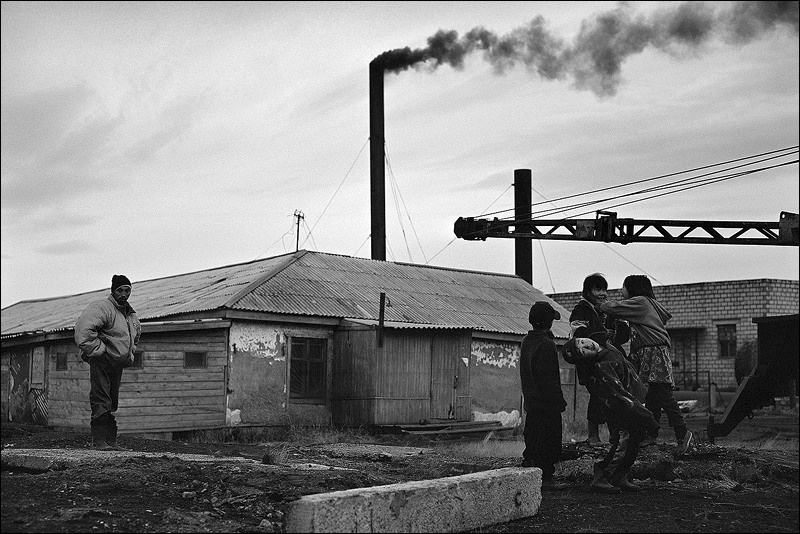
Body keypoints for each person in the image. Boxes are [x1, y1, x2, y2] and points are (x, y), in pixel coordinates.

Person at [598, 275, 693, 456]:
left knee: (664, 394)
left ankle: (682, 433)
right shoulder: (647, 303)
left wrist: (599, 304)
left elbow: (614, 308)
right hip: (651, 352)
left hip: (654, 352)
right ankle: (652, 434)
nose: (621, 291)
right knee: (652, 396)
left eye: (623, 287)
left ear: (632, 289)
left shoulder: (640, 302)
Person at [562, 337, 659, 493]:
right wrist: (646, 416)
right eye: (582, 351)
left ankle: (620, 477)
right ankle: (600, 478)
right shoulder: (603, 365)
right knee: (620, 444)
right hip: (623, 410)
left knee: (634, 442)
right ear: (584, 359)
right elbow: (619, 395)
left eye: (581, 342)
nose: (586, 345)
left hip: (634, 405)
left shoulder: (607, 348)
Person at [75, 274, 141, 451]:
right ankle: (99, 442)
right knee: (101, 398)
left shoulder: (130, 314)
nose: (124, 294)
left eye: (127, 290)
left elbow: (135, 337)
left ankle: (111, 442)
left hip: (116, 363)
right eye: (120, 290)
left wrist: (128, 353)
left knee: (112, 401)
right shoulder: (102, 308)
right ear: (113, 290)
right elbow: (84, 330)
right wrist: (100, 351)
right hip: (102, 361)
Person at [569, 273, 631, 445]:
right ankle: (594, 435)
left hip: (607, 362)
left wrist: (619, 326)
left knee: (609, 397)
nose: (603, 293)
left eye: (604, 289)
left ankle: (613, 436)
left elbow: (620, 338)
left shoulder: (604, 311)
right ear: (587, 292)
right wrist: (604, 335)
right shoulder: (581, 310)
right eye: (598, 289)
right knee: (598, 395)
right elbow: (580, 337)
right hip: (590, 363)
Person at [519, 301, 568, 491]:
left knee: (533, 437)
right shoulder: (547, 345)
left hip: (532, 401)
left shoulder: (526, 341)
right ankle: (546, 476)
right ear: (549, 323)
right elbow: (550, 378)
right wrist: (558, 401)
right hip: (548, 404)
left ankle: (530, 467)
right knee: (550, 441)